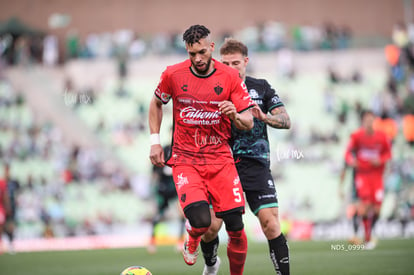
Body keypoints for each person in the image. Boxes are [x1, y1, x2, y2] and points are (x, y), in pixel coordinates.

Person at [148, 25, 254, 275]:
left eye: (202, 52)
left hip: (220, 160)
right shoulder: (173, 74)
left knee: (236, 227)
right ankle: (193, 236)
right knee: (202, 221)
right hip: (186, 160)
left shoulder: (229, 77)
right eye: (191, 54)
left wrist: (236, 115)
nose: (197, 59)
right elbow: (156, 103)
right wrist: (154, 141)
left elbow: (248, 121)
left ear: (212, 48)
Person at [200, 38, 291, 275]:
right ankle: (211, 265)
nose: (231, 67)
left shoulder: (260, 87)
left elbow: (285, 120)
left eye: (236, 62)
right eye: (226, 63)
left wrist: (264, 117)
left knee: (271, 224)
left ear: (246, 62)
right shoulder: (210, 91)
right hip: (221, 165)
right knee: (210, 227)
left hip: (255, 165)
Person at [344, 110, 392, 249]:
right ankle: (367, 238)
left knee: (377, 210)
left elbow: (388, 154)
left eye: (371, 120)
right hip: (363, 175)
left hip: (377, 177)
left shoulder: (382, 137)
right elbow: (347, 152)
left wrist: (381, 160)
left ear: (374, 121)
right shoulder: (357, 136)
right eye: (366, 120)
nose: (369, 123)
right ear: (363, 122)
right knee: (364, 207)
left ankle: (370, 231)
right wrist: (351, 160)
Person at [147, 144, 186, 254]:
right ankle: (152, 241)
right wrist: (153, 187)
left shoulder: (181, 149)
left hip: (176, 186)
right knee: (158, 215)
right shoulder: (163, 150)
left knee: (182, 214)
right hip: (163, 188)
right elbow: (154, 171)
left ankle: (180, 241)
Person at [338, 161, 360, 244]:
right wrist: (340, 187)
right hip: (357, 187)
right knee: (354, 209)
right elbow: (344, 169)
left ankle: (366, 235)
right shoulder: (352, 156)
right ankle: (354, 235)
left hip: (368, 185)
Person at [3, 163, 20, 254]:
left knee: (10, 226)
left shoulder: (13, 182)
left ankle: (10, 244)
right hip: (3, 207)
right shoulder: (2, 182)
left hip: (11, 207)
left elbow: (17, 193)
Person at [0, 166, 11, 254]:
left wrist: (7, 207)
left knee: (1, 227)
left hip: (0, 209)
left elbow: (5, 197)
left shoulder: (2, 183)